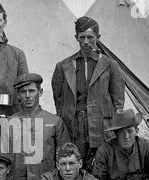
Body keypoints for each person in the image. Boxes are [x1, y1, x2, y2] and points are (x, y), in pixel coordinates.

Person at [52, 16, 125, 171]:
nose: (86, 42)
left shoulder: (110, 65)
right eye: (82, 37)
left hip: (102, 124)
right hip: (74, 124)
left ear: (98, 38)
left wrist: (112, 124)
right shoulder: (63, 66)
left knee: (102, 164)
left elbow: (118, 98)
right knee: (76, 162)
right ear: (76, 38)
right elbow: (58, 98)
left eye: (90, 37)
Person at [9, 73, 69, 180]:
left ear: (40, 92)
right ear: (18, 95)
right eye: (23, 92)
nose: (27, 95)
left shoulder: (55, 122)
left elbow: (65, 157)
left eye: (31, 91)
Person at [92, 109, 149, 180]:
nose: (126, 136)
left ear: (137, 130)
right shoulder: (105, 150)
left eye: (129, 131)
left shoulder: (147, 148)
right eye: (121, 132)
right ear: (115, 134)